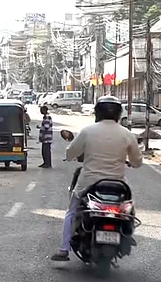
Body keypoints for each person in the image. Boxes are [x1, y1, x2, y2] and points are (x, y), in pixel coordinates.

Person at [50, 96, 143, 261]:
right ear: (118, 113)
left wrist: (75, 155)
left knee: (71, 211)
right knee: (129, 208)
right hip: (118, 184)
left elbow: (70, 153)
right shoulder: (127, 134)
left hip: (88, 183)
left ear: (97, 111)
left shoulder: (88, 131)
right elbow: (137, 162)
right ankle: (127, 233)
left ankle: (64, 249)